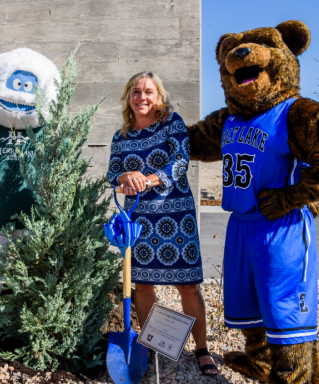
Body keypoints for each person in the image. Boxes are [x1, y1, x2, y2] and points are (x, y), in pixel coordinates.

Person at [107, 72, 217, 375]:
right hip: (140, 220)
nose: (142, 97)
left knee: (188, 286)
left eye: (148, 92)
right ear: (128, 96)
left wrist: (147, 179)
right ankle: (154, 342)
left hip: (176, 217)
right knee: (142, 284)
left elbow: (180, 163)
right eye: (136, 91)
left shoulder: (172, 123)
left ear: (159, 97)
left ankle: (202, 350)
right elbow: (112, 173)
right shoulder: (122, 136)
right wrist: (125, 177)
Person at [0, 48, 60, 331]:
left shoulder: (48, 128)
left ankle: (26, 311)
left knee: (32, 265)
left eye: (28, 87)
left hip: (34, 213)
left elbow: (60, 165)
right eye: (15, 84)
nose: (20, 95)